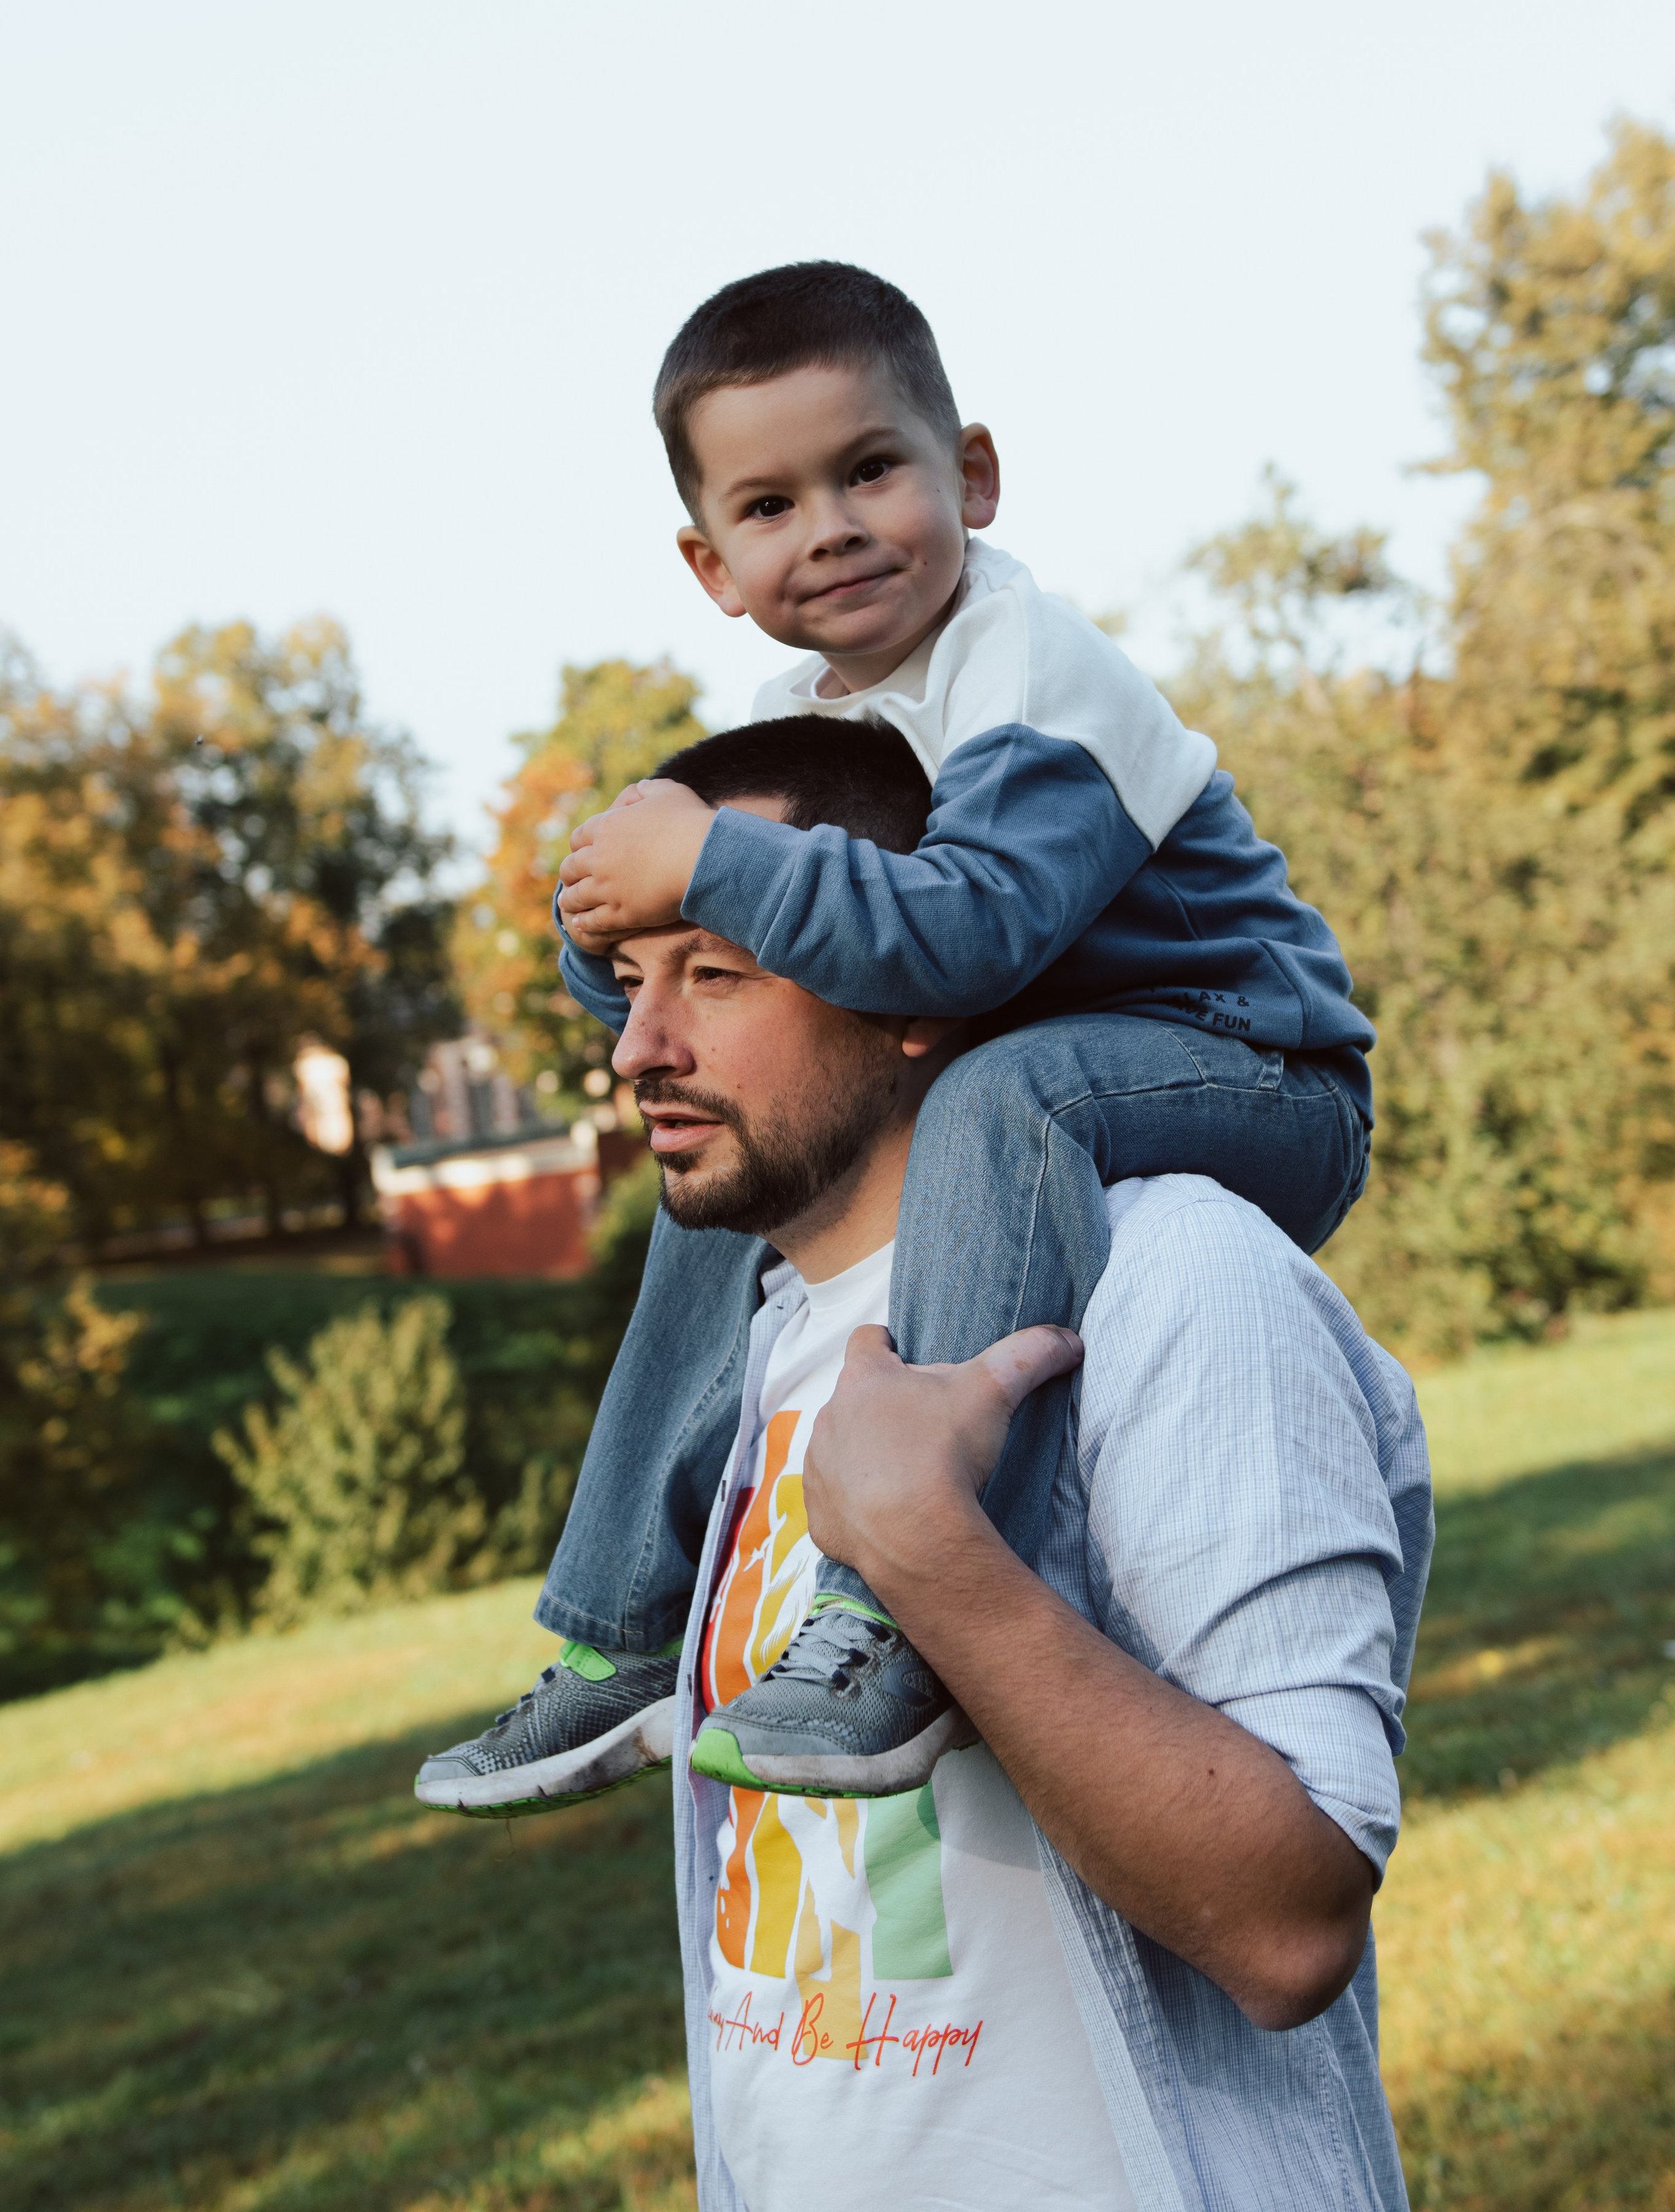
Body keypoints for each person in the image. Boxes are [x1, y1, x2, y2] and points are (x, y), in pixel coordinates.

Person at [415, 260, 1377, 1815]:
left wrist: (710, 860)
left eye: (870, 470)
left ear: (969, 475)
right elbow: (772, 969)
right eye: (772, 504)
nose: (833, 527)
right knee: (722, 1170)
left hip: (1249, 1066)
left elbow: (974, 934)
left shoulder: (1031, 670)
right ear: (709, 561)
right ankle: (621, 1632)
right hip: (1064, 1069)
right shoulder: (837, 723)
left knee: (999, 1086)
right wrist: (613, 925)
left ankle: (889, 1617)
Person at [478, 718, 1433, 2212]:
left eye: (714, 974)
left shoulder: (1177, 1278)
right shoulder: (763, 1337)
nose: (636, 1048)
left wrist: (928, 1555)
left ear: (912, 988)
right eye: (631, 981)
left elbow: (1288, 1919)